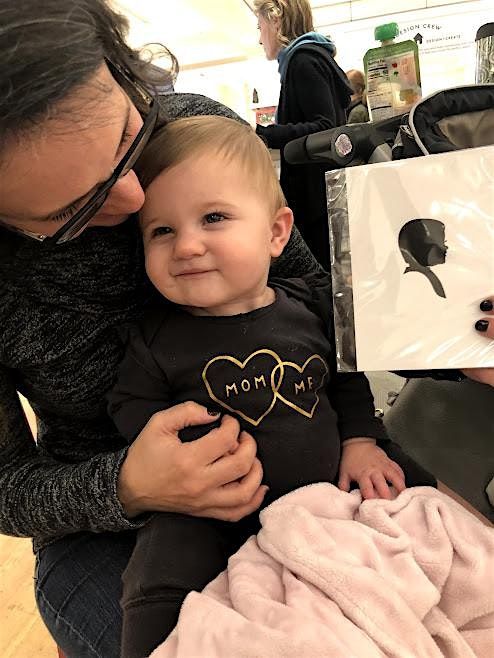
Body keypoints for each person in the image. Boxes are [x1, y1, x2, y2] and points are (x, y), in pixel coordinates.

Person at [0, 2, 329, 657]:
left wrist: (443, 331)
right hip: (110, 531)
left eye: (129, 133)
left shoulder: (200, 131)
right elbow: (6, 487)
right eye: (71, 212)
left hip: (303, 476)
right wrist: (128, 484)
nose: (134, 197)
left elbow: (318, 305)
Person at [106, 115, 430, 657]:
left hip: (330, 485)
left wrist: (360, 441)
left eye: (213, 218)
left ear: (277, 233)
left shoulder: (311, 307)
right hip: (213, 509)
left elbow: (345, 379)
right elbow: (130, 406)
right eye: (161, 231)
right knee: (156, 573)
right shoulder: (152, 339)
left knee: (420, 490)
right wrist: (180, 456)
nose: (186, 246)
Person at [253, 0, 353, 270]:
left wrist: (263, 134)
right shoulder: (313, 57)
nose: (259, 38)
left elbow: (324, 127)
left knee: (318, 272)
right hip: (323, 191)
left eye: (260, 27)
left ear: (276, 20)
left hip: (313, 196)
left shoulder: (302, 61)